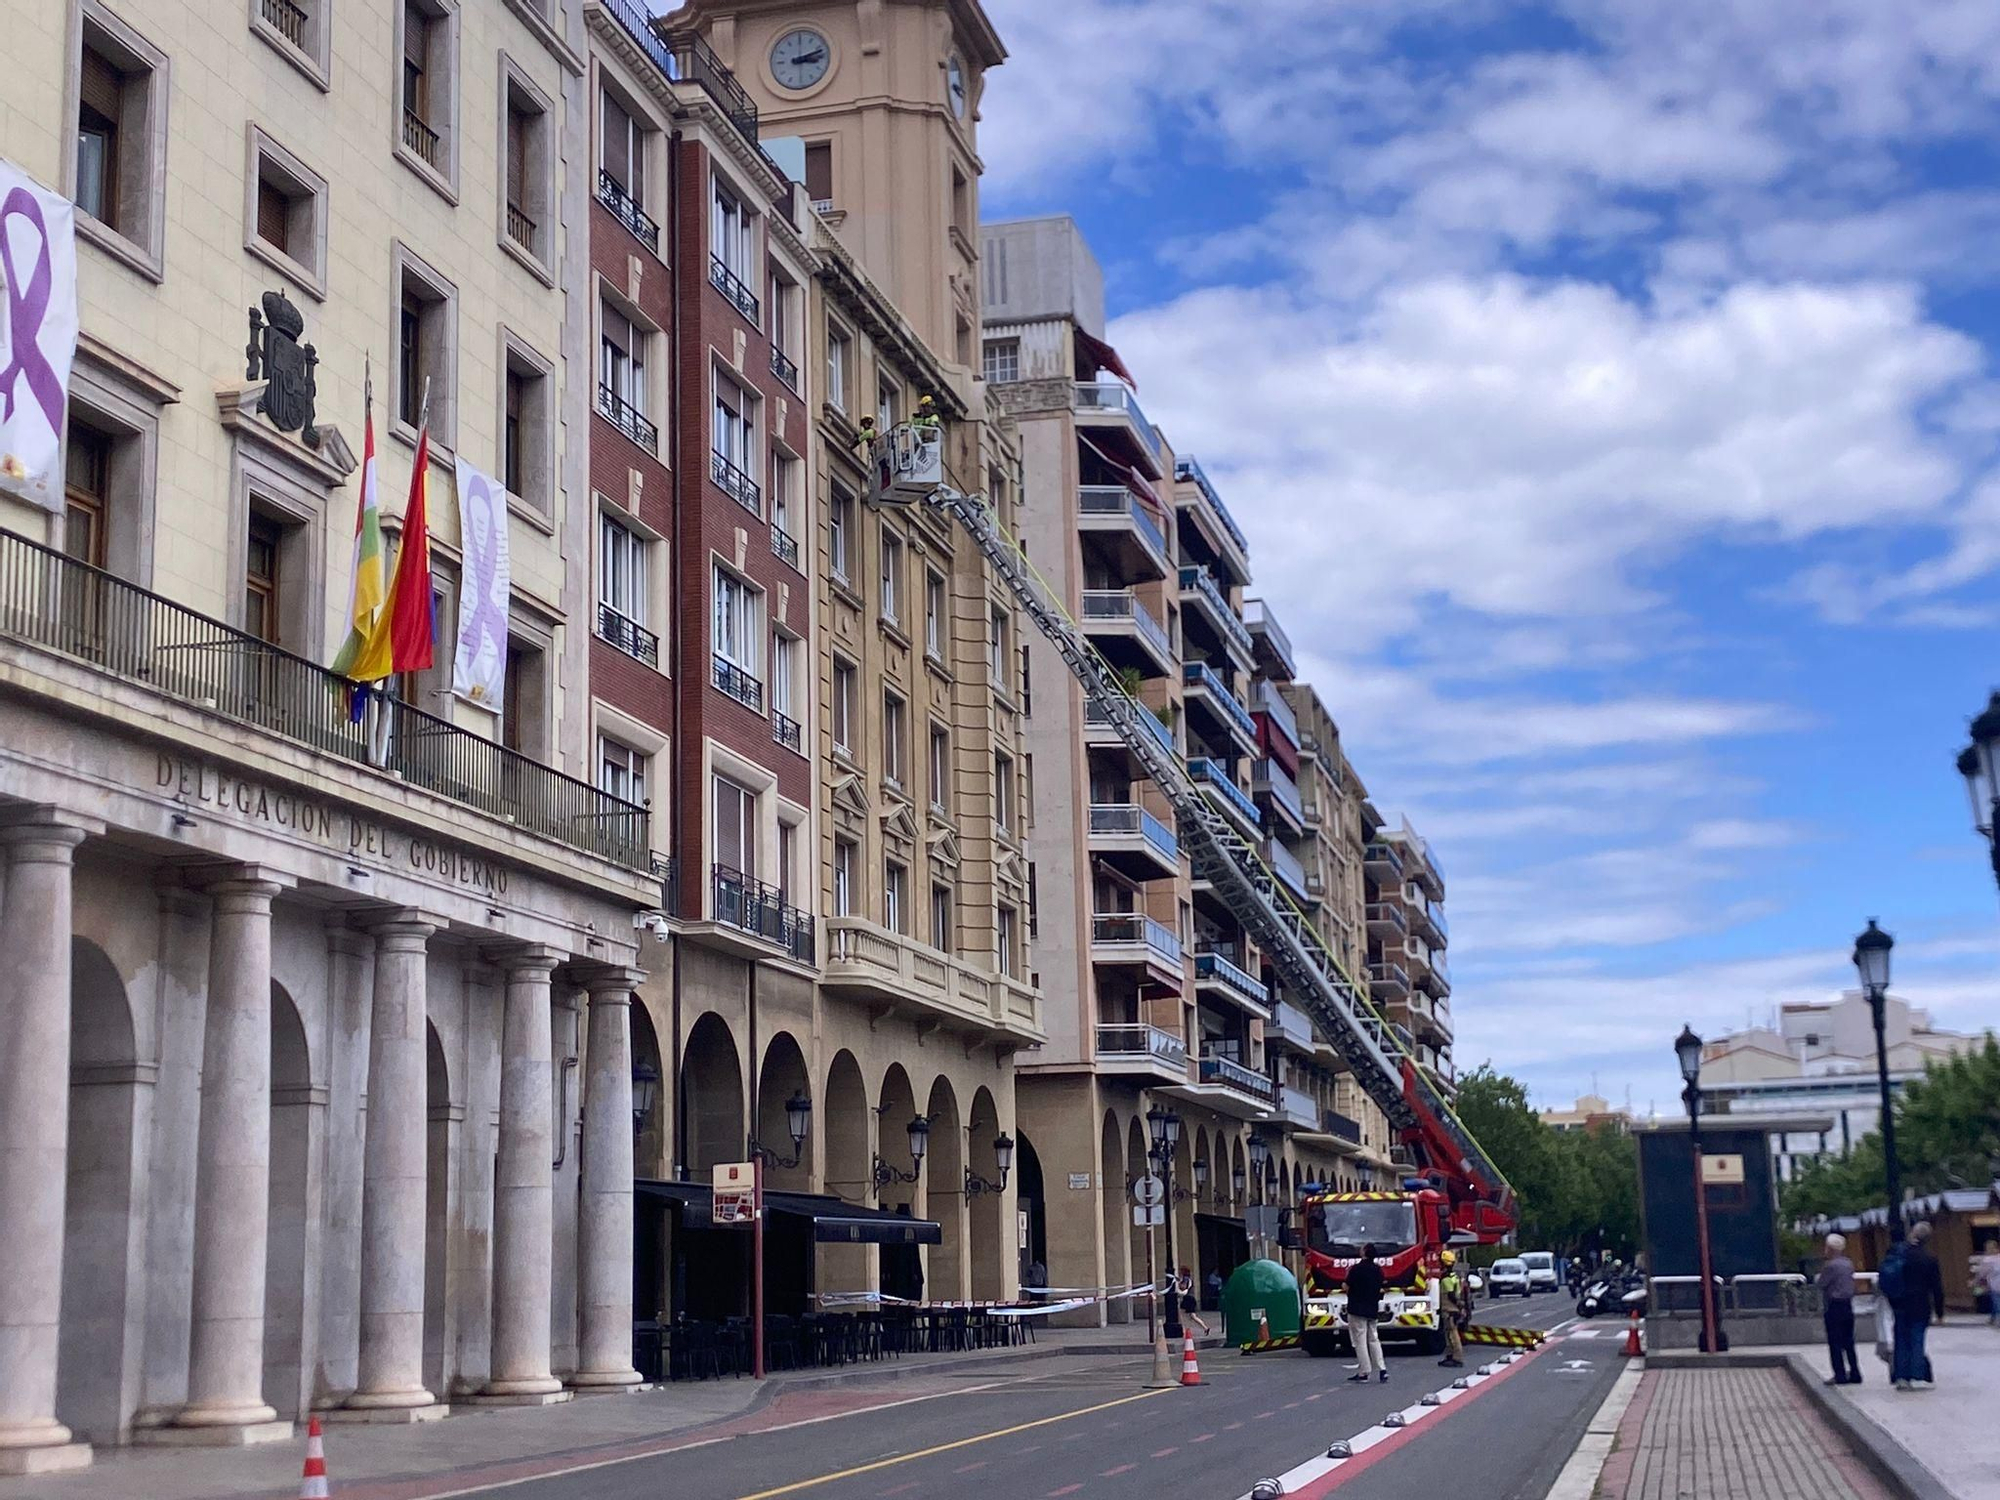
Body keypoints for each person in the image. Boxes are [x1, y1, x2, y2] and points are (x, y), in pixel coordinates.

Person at [1891, 1221, 1947, 1391]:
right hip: (1921, 1304)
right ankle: (1917, 1376)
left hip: (1900, 1303)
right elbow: (1936, 1287)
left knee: (1901, 1340)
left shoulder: (1899, 1254)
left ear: (1913, 1234)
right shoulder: (1929, 1258)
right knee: (1917, 1339)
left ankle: (1901, 1376)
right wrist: (1939, 1312)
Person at [1816, 1232, 1862, 1386]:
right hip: (1847, 1304)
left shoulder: (1830, 1266)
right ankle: (1855, 1372)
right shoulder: (1848, 1263)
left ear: (1830, 1248)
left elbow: (1821, 1284)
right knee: (1849, 1340)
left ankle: (1840, 1374)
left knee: (1835, 1342)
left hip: (1834, 1305)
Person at [1344, 1243, 1388, 1384]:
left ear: (1364, 1253)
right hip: (1372, 1308)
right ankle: (1382, 1369)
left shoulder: (1356, 1269)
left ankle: (1365, 1371)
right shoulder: (1378, 1270)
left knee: (1360, 1341)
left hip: (1356, 1308)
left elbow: (1347, 1286)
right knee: (1374, 1339)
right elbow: (1382, 1286)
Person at [1438, 1250, 1470, 1367]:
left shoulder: (1446, 1279)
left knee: (1452, 1335)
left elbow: (1451, 1295)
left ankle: (1457, 1358)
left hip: (1450, 1310)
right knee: (1449, 1334)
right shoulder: (1454, 1277)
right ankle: (1451, 1356)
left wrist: (1459, 1306)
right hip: (1452, 1310)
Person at [1176, 1265, 1210, 1336]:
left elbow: (1183, 1287)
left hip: (1188, 1298)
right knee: (1193, 1316)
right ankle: (1205, 1327)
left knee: (1180, 1314)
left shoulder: (1185, 1279)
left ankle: (1184, 1330)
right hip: (1191, 1298)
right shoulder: (1189, 1279)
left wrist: (1178, 1284)